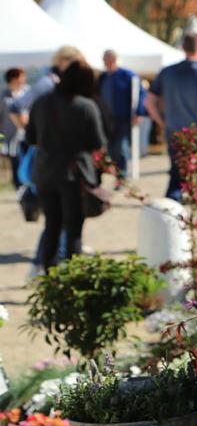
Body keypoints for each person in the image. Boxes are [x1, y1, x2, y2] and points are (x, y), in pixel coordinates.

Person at [25, 60, 106, 270]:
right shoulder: (86, 106)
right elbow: (97, 143)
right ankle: (71, 277)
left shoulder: (41, 103)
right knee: (73, 229)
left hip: (45, 173)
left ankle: (49, 276)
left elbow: (30, 138)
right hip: (74, 175)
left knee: (52, 225)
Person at [145, 32, 197, 201]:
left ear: (183, 47)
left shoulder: (168, 72)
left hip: (175, 130)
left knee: (177, 176)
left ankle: (173, 209)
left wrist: (162, 122)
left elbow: (149, 101)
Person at [97, 50, 147, 177]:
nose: (107, 62)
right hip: (107, 121)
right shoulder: (102, 78)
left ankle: (122, 176)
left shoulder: (127, 75)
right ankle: (116, 173)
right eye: (105, 59)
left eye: (109, 59)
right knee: (110, 149)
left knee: (121, 148)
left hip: (123, 119)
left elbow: (140, 93)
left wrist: (139, 112)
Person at [2, 67, 28, 188]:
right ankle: (20, 191)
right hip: (11, 139)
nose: (24, 79)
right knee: (16, 164)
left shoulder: (28, 93)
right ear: (13, 79)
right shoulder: (3, 97)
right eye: (21, 76)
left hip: (28, 136)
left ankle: (30, 190)